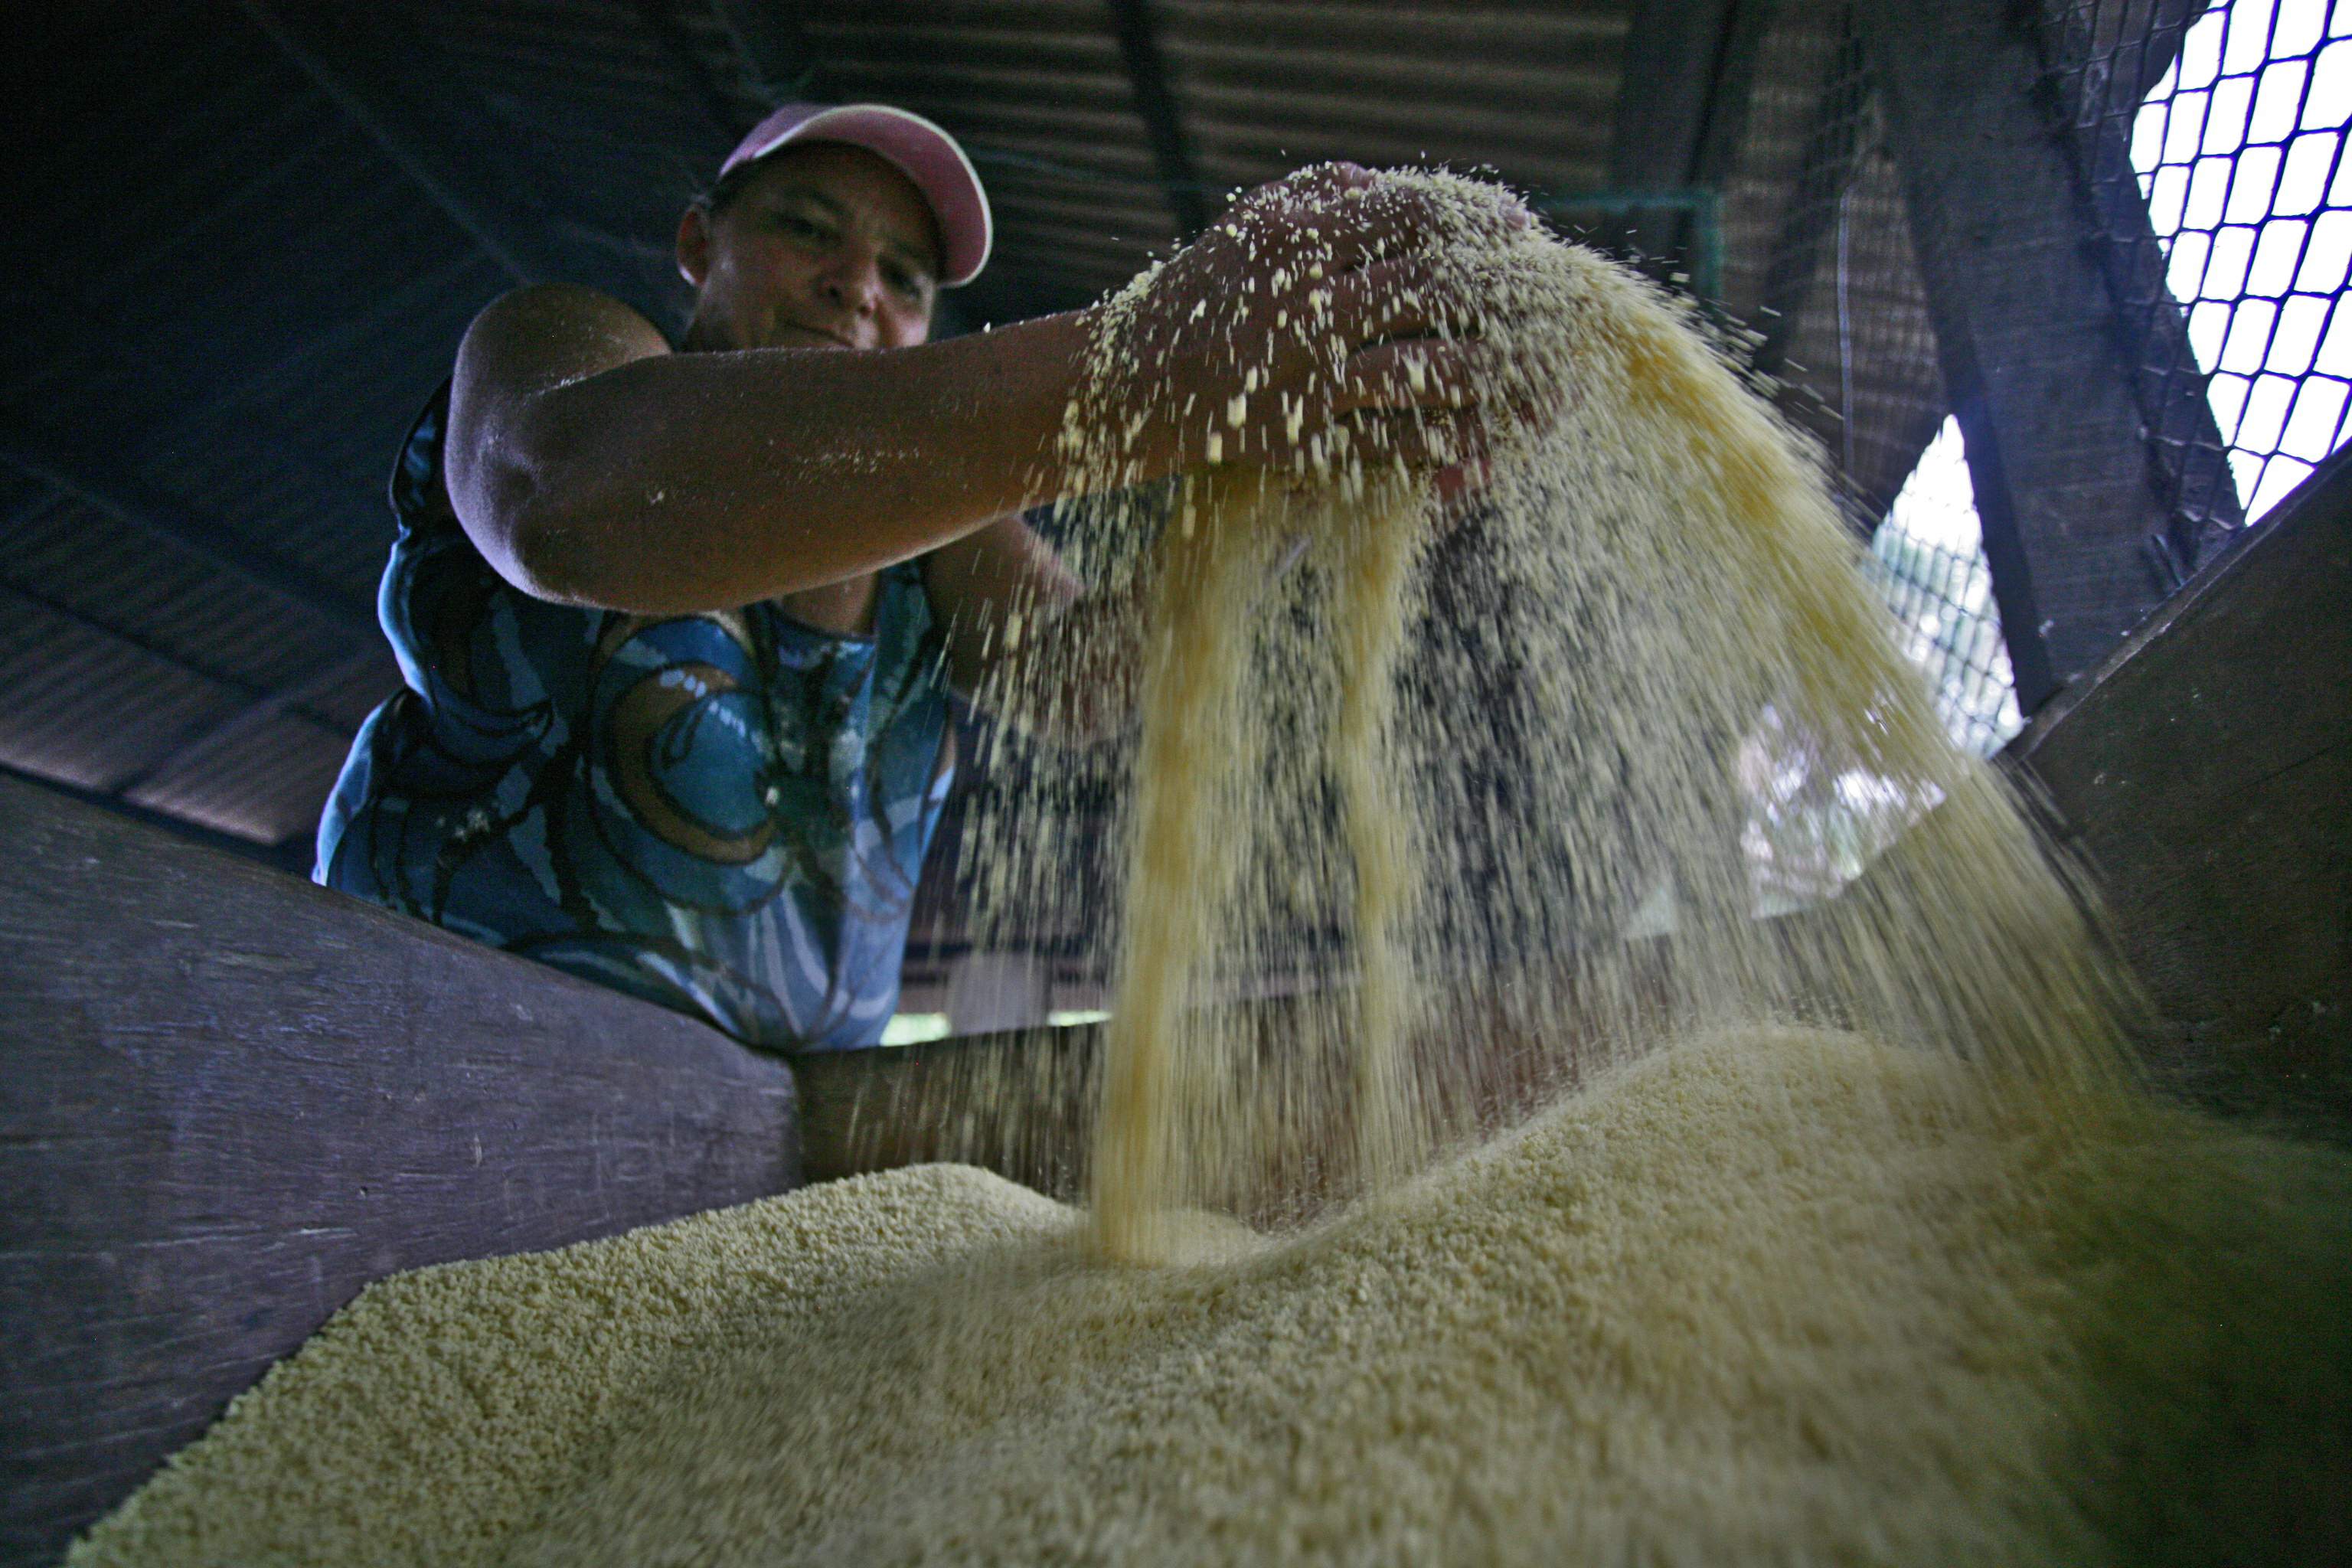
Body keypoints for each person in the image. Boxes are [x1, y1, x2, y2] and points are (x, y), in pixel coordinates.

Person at [316, 101, 1517, 1051]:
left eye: (907, 276)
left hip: (767, 1141)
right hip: (421, 1059)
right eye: (806, 228)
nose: (860, 284)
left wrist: (1293, 483)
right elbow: (567, 502)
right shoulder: (566, 347)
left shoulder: (935, 538)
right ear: (699, 244)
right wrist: (1156, 368)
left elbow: (1084, 685)